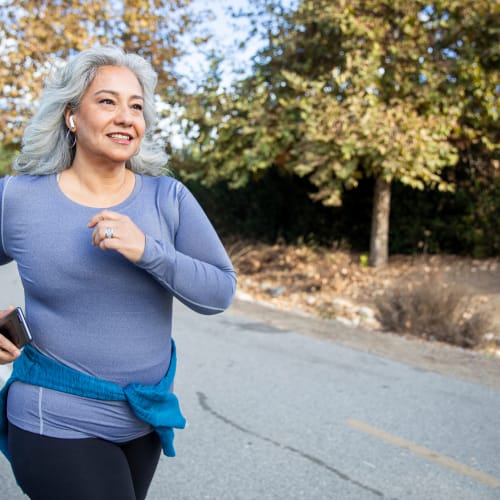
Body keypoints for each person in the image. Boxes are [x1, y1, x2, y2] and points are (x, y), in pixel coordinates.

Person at [0, 46, 236, 500]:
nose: (126, 117)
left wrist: (149, 250)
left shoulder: (168, 198)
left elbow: (219, 291)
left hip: (142, 420)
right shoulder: (18, 199)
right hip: (54, 416)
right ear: (71, 115)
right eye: (107, 101)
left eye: (137, 106)